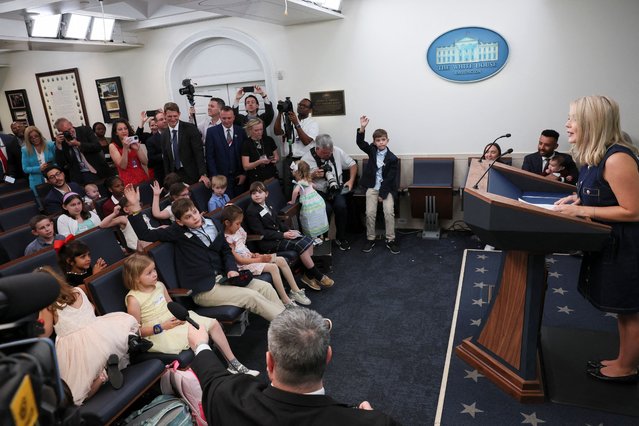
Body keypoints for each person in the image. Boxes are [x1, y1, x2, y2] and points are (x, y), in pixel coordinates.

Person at [188, 307, 400, 425]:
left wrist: (201, 346)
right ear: (328, 356)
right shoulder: (373, 423)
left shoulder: (230, 399)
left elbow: (213, 377)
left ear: (269, 362)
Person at [554, 95, 639, 383]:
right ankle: (624, 359)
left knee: (631, 310)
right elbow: (605, 193)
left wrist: (581, 209)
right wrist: (578, 196)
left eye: (573, 118)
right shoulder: (594, 155)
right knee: (624, 309)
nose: (567, 124)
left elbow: (633, 210)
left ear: (593, 122)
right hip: (610, 241)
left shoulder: (617, 158)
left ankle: (627, 368)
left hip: (629, 246)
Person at [124, 185, 286, 322]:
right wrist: (135, 208)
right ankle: (288, 330)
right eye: (188, 217)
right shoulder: (177, 232)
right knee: (251, 297)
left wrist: (231, 269)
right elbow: (146, 234)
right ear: (180, 222)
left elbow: (225, 250)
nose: (194, 217)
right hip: (204, 289)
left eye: (194, 212)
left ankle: (288, 321)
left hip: (224, 277)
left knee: (265, 287)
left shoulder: (214, 223)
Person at [122, 253, 258, 376]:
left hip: (173, 321)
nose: (154, 274)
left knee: (214, 324)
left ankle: (233, 364)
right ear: (136, 278)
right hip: (159, 332)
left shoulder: (159, 285)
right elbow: (136, 332)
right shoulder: (133, 299)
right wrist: (162, 326)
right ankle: (213, 375)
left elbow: (171, 306)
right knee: (197, 338)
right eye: (149, 273)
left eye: (154, 270)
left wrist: (180, 317)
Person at [37, 265, 137, 405]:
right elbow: (92, 307)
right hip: (103, 336)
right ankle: (130, 341)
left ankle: (102, 376)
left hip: (77, 350)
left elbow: (45, 332)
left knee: (75, 396)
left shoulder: (48, 305)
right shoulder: (78, 290)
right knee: (121, 328)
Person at [244, 181, 334, 292]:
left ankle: (308, 276)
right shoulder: (251, 211)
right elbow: (262, 233)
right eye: (253, 193)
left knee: (307, 239)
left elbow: (277, 221)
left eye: (259, 192)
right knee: (300, 245)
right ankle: (317, 275)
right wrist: (283, 235)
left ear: (266, 194)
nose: (257, 195)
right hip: (268, 243)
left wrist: (289, 230)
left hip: (279, 236)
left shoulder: (268, 204)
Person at [221, 204, 312, 307]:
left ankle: (295, 291)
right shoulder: (227, 239)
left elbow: (242, 247)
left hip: (252, 257)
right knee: (273, 267)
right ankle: (285, 300)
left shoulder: (237, 230)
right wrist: (260, 259)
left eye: (240, 224)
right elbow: (240, 260)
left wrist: (253, 254)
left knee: (281, 260)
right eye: (237, 224)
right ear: (227, 223)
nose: (239, 226)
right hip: (244, 265)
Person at [301, 134, 357, 251]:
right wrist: (312, 175)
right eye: (325, 153)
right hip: (318, 190)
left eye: (330, 153)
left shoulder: (337, 151)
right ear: (317, 149)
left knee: (341, 207)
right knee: (325, 209)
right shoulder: (306, 158)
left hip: (337, 187)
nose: (328, 155)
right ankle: (323, 239)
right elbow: (299, 179)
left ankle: (341, 238)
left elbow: (353, 164)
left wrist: (351, 181)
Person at [356, 116, 400, 254]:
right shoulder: (372, 150)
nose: (381, 142)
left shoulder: (392, 158)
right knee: (370, 213)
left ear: (387, 140)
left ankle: (390, 239)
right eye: (378, 140)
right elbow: (360, 143)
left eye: (383, 140)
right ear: (374, 142)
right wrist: (362, 128)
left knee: (389, 213)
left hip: (386, 189)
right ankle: (370, 238)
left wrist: (382, 194)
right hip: (372, 187)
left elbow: (390, 179)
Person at [162, 102, 209, 186]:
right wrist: (167, 177)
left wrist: (203, 174)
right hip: (174, 176)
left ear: (179, 114)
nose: (173, 119)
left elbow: (199, 153)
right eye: (169, 116)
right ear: (164, 115)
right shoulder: (164, 134)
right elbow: (166, 158)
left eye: (175, 116)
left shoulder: (190, 128)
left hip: (192, 173)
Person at [54, 117, 112, 184]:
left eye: (70, 129)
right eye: (66, 132)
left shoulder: (85, 130)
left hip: (96, 169)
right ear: (60, 132)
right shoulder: (62, 142)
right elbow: (61, 164)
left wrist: (78, 144)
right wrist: (59, 146)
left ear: (71, 124)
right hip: (79, 174)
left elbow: (97, 146)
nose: (70, 132)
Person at [205, 106, 247, 198]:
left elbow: (245, 153)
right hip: (221, 179)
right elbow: (209, 156)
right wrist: (215, 177)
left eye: (229, 118)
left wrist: (244, 174)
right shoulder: (212, 132)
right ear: (220, 117)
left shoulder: (241, 131)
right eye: (224, 118)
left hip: (239, 177)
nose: (227, 121)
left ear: (234, 117)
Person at [290, 160, 329, 241]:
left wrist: (292, 201)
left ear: (297, 172)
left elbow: (295, 191)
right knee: (317, 219)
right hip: (317, 201)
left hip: (309, 204)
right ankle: (318, 236)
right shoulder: (307, 179)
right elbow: (314, 186)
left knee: (308, 219)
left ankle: (312, 239)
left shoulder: (300, 182)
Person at [56, 192, 124, 237]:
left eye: (79, 203)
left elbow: (102, 231)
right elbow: (67, 241)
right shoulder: (63, 219)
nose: (77, 207)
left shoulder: (91, 214)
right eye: (73, 205)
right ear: (65, 207)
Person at [109, 118, 150, 186]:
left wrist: (138, 149)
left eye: (125, 128)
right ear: (116, 132)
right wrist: (125, 148)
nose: (124, 131)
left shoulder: (133, 142)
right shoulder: (113, 146)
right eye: (120, 129)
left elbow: (145, 162)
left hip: (142, 177)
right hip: (128, 181)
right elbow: (123, 166)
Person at [21, 125, 56, 201]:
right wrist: (39, 168)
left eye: (36, 136)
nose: (34, 139)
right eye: (31, 137)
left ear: (40, 135)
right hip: (37, 181)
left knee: (56, 198)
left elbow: (57, 161)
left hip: (53, 178)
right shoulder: (25, 150)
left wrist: (52, 168)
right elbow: (25, 168)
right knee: (43, 203)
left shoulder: (50, 145)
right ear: (28, 139)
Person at [242, 118, 279, 185]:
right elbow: (246, 166)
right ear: (250, 130)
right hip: (256, 178)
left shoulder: (269, 140)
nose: (259, 132)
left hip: (271, 175)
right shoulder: (246, 144)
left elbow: (276, 156)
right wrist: (259, 162)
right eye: (256, 130)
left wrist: (275, 160)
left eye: (261, 129)